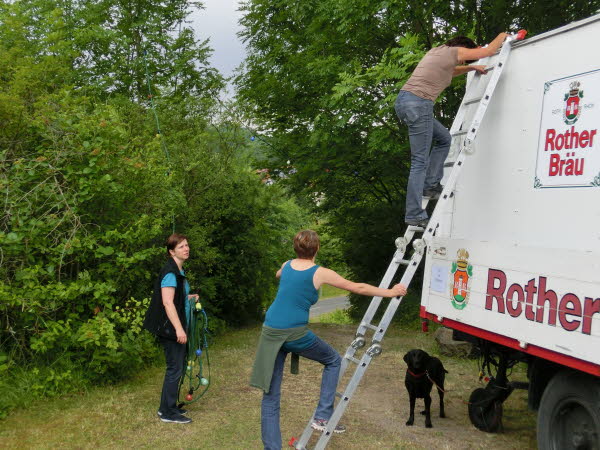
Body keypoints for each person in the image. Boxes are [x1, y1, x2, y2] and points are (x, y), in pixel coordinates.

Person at [250, 230, 407, 449]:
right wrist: (390, 292)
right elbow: (357, 287)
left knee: (270, 395)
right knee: (333, 360)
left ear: (296, 248)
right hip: (293, 332)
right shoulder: (320, 272)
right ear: (317, 249)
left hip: (270, 330)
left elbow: (279, 274)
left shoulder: (287, 265)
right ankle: (322, 416)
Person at [395, 33, 510, 227]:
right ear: (463, 47)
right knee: (419, 161)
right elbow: (489, 51)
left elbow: (450, 71)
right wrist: (504, 36)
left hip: (407, 102)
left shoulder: (438, 53)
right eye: (467, 56)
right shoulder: (455, 51)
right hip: (419, 104)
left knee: (444, 139)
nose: (466, 58)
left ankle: (430, 185)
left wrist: (471, 67)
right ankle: (414, 212)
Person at [143, 233, 199, 424]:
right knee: (174, 368)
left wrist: (189, 298)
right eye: (182, 246)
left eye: (187, 245)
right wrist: (179, 330)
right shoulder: (170, 272)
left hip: (175, 326)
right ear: (171, 251)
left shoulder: (178, 271)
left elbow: (175, 298)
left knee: (177, 367)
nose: (186, 248)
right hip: (170, 329)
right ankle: (167, 412)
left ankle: (168, 407)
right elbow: (167, 303)